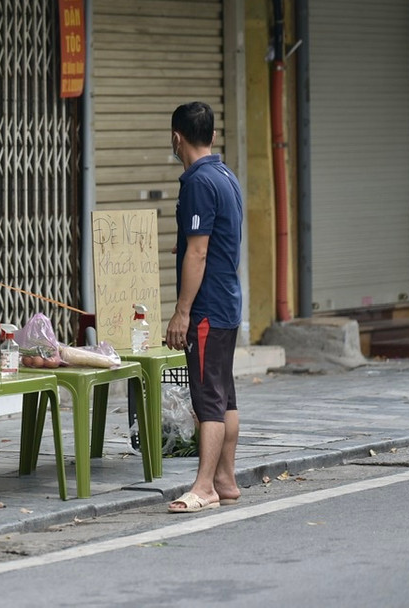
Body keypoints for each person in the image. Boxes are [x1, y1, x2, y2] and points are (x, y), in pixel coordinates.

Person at [165, 101, 244, 513]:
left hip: (208, 309)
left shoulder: (197, 182)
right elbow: (215, 239)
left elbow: (197, 253)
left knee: (207, 400)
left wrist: (182, 312)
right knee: (224, 395)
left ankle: (204, 488)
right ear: (211, 136)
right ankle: (226, 480)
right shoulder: (225, 174)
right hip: (228, 302)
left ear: (177, 137)